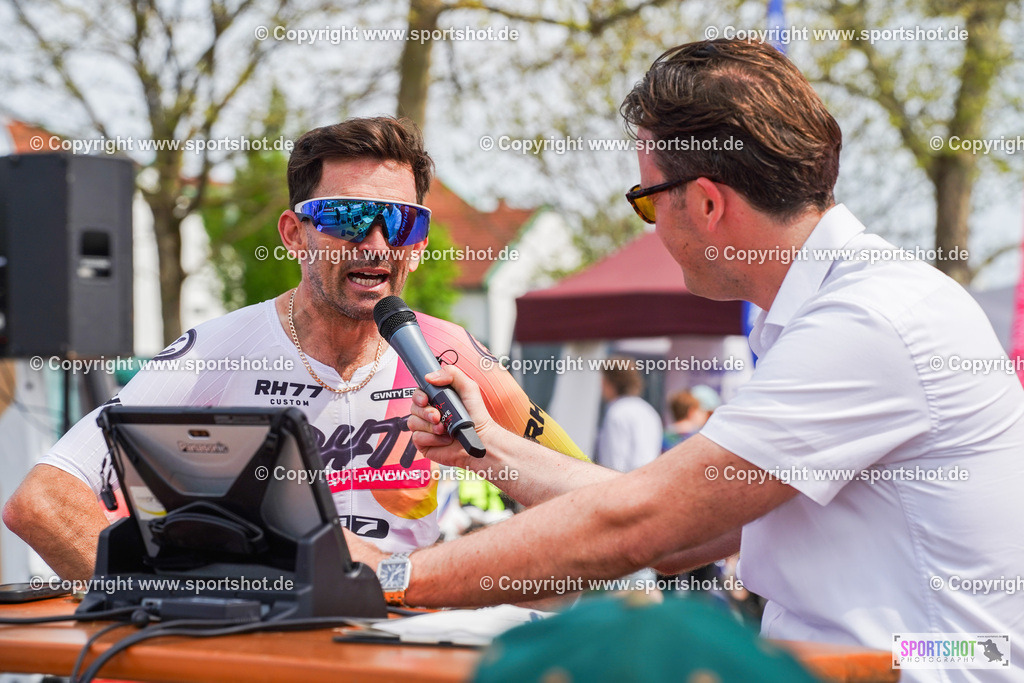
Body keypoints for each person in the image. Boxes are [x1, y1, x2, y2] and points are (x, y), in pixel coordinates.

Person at [342, 40, 1024, 679]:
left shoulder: (867, 320)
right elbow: (680, 524)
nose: (650, 222)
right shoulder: (839, 304)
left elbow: (639, 522)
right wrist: (488, 448)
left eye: (645, 200)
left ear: (705, 202)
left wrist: (390, 576)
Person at [2, 116, 586, 582]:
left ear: (420, 241)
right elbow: (42, 502)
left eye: (400, 223)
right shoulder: (216, 354)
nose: (376, 243)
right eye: (348, 218)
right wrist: (176, 625)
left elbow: (587, 499)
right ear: (294, 234)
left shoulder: (447, 352)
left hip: (401, 640)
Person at [595, 357, 663, 472]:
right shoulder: (648, 410)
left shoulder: (617, 412)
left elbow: (614, 461)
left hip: (623, 482)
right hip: (648, 478)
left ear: (609, 382)